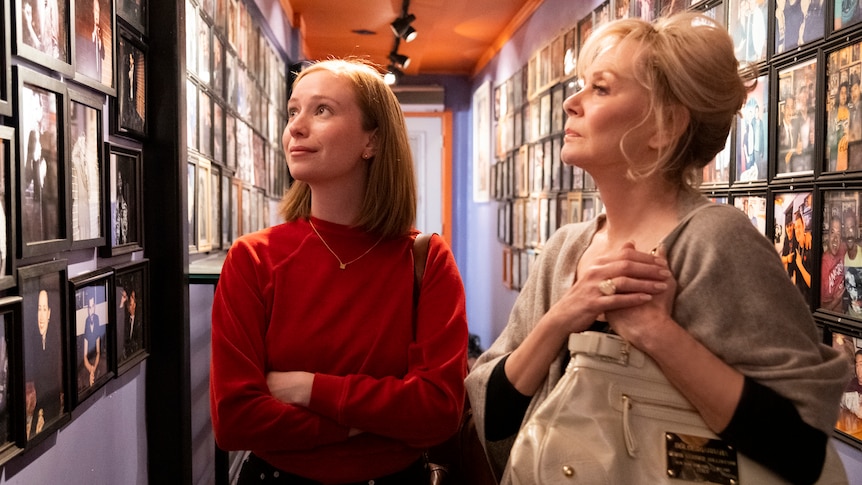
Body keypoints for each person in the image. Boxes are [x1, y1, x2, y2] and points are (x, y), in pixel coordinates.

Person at [466, 12, 849, 485]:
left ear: (664, 127)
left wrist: (655, 332)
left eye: (601, 88)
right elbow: (495, 418)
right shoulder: (566, 249)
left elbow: (800, 450)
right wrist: (565, 314)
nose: (572, 102)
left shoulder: (714, 240)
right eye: (582, 85)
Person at [210, 58, 469, 485]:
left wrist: (309, 388)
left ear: (372, 140)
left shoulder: (426, 260)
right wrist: (364, 422)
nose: (296, 126)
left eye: (322, 110)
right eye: (293, 111)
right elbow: (235, 420)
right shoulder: (254, 258)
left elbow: (438, 411)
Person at [25, 289, 62, 441]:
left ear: (49, 314)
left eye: (44, 309)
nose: (41, 315)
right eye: (39, 309)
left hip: (51, 405)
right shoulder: (32, 339)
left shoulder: (55, 339)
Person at [822, 216, 847, 313]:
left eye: (838, 234)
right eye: (832, 233)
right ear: (827, 236)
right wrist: (836, 301)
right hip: (832, 320)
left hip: (847, 313)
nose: (835, 238)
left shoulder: (843, 248)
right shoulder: (823, 265)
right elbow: (820, 312)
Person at [81, 289, 102, 388]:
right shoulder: (86, 322)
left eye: (93, 306)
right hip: (87, 362)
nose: (91, 309)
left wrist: (94, 367)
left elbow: (98, 351)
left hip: (96, 360)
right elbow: (84, 356)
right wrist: (90, 368)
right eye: (89, 307)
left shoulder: (97, 320)